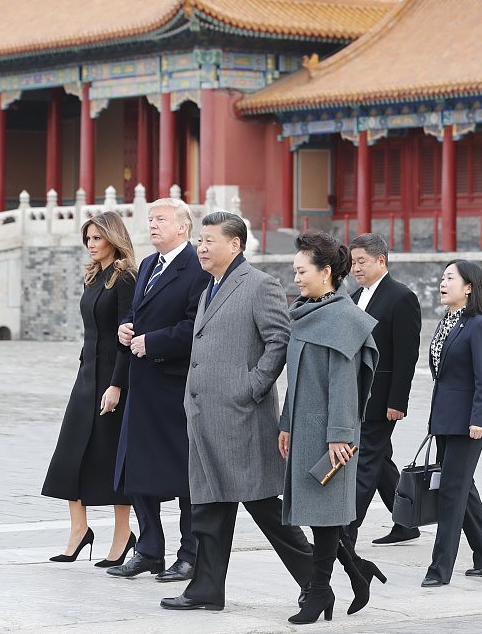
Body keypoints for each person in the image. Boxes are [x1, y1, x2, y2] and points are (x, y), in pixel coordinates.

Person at [160, 211, 313, 612]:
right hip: (204, 414)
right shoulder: (209, 286)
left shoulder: (259, 285)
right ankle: (206, 589)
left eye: (210, 240)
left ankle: (317, 578)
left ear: (236, 244)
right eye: (200, 241)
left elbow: (279, 341)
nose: (202, 247)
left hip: (241, 416)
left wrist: (250, 388)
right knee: (209, 508)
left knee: (264, 506)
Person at [279, 231, 378, 625]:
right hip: (302, 427)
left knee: (325, 513)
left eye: (303, 271)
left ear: (326, 272)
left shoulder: (342, 318)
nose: (297, 279)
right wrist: (286, 424)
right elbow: (295, 376)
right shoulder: (305, 311)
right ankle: (357, 572)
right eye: (295, 271)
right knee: (318, 512)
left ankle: (319, 592)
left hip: (331, 433)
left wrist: (340, 435)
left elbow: (344, 382)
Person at [108, 197, 208, 582]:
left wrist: (153, 342)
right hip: (141, 384)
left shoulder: (195, 269)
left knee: (182, 475)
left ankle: (190, 553)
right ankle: (149, 549)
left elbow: (194, 327)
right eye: (150, 219)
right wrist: (126, 328)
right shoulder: (148, 265)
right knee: (136, 468)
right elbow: (137, 314)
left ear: (183, 227)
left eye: (161, 219)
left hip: (173, 385)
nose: (152, 225)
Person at [41, 211, 137, 566]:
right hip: (86, 376)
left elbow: (127, 335)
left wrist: (116, 385)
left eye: (97, 238)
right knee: (69, 454)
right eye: (88, 239)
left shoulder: (126, 277)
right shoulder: (94, 277)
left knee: (111, 459)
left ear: (113, 238)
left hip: (113, 380)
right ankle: (80, 530)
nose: (91, 245)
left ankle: (123, 535)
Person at [420, 260, 482, 586]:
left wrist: (479, 419)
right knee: (463, 488)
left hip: (469, 423)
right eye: (442, 278)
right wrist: (434, 420)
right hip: (444, 420)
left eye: (450, 278)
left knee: (451, 493)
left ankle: (439, 569)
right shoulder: (446, 323)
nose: (443, 283)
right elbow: (441, 378)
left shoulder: (480, 325)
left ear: (468, 286)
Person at [346, 233, 422, 548]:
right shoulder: (353, 298)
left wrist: (397, 400)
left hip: (381, 398)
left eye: (361, 261)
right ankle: (407, 522)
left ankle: (344, 533)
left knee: (363, 463)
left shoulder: (401, 297)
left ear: (381, 260)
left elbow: (407, 355)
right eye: (352, 262)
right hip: (354, 394)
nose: (355, 268)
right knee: (380, 462)